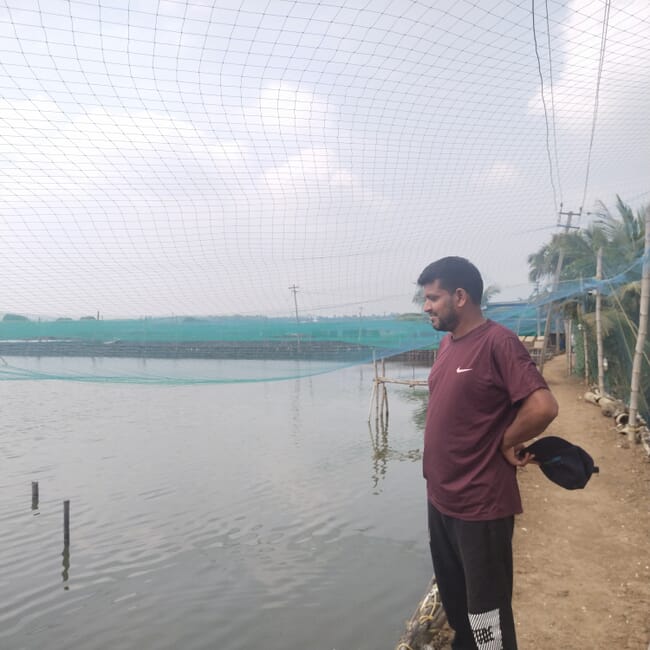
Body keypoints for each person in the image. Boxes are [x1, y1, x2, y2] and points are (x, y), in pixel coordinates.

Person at [417, 256, 558, 650]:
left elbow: (542, 407)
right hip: (442, 502)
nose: (426, 306)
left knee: (487, 620)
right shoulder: (447, 345)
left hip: (480, 507)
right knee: (460, 610)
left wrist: (506, 439)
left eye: (433, 297)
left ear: (460, 296)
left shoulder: (498, 342)